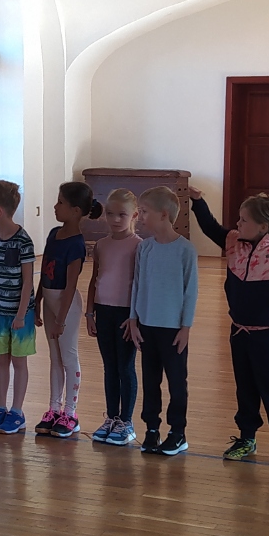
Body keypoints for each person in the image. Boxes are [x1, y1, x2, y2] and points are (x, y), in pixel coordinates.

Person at [190, 189, 269, 469]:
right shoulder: (234, 243)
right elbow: (211, 228)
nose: (238, 224)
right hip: (240, 333)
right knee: (245, 388)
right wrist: (197, 200)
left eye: (244, 220)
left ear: (263, 226)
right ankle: (247, 437)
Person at [127, 186, 198, 456]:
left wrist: (185, 327)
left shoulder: (185, 250)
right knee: (151, 381)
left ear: (164, 214)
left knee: (177, 383)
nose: (140, 217)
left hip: (173, 330)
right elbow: (137, 285)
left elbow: (190, 291)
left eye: (145, 211)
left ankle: (178, 432)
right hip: (147, 327)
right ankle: (152, 429)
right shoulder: (145, 248)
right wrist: (133, 319)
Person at [34, 182, 99, 438]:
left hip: (66, 306)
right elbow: (45, 272)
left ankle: (70, 413)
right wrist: (37, 302)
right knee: (54, 358)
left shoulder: (77, 244)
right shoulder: (53, 234)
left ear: (75, 211)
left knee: (68, 358)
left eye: (60, 202)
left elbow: (71, 284)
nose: (55, 206)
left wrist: (61, 319)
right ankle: (54, 409)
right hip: (50, 304)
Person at [0, 180, 38, 435]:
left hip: (20, 314)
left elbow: (28, 281)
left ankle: (17, 411)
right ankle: (1, 407)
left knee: (19, 361)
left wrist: (22, 314)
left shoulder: (23, 241)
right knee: (1, 360)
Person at [85, 188, 141, 447]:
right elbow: (94, 280)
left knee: (125, 367)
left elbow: (141, 285)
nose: (115, 219)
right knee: (110, 367)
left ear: (134, 215)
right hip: (103, 311)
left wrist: (135, 317)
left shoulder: (139, 246)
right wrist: (90, 313)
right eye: (110, 214)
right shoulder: (101, 245)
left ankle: (126, 422)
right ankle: (111, 417)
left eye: (122, 214)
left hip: (126, 314)